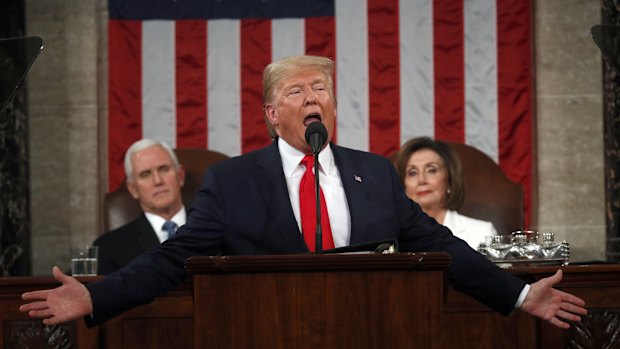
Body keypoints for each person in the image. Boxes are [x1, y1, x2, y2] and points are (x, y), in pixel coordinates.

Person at [20, 55, 586, 330]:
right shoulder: (233, 182)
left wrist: (518, 295)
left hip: (372, 332)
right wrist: (98, 297)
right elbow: (172, 258)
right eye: (297, 90)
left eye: (322, 88)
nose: (313, 96)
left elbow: (442, 248)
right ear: (272, 114)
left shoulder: (375, 174)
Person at [93, 139, 186, 274]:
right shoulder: (109, 247)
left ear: (180, 176)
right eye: (145, 174)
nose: (158, 181)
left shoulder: (215, 229)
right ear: (133, 189)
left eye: (163, 169)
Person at [393, 137, 496, 249]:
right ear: (403, 185)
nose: (421, 180)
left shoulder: (482, 233)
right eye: (412, 173)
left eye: (431, 170)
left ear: (450, 180)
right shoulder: (389, 236)